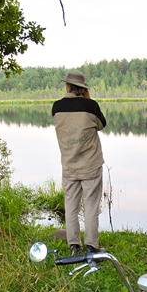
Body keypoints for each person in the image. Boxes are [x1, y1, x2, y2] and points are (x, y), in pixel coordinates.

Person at [52, 70, 107, 254]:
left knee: (71, 207)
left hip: (69, 166)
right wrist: (89, 99)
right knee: (91, 206)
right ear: (83, 89)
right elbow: (101, 125)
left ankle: (74, 245)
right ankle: (92, 246)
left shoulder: (56, 107)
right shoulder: (91, 106)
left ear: (67, 86)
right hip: (90, 165)